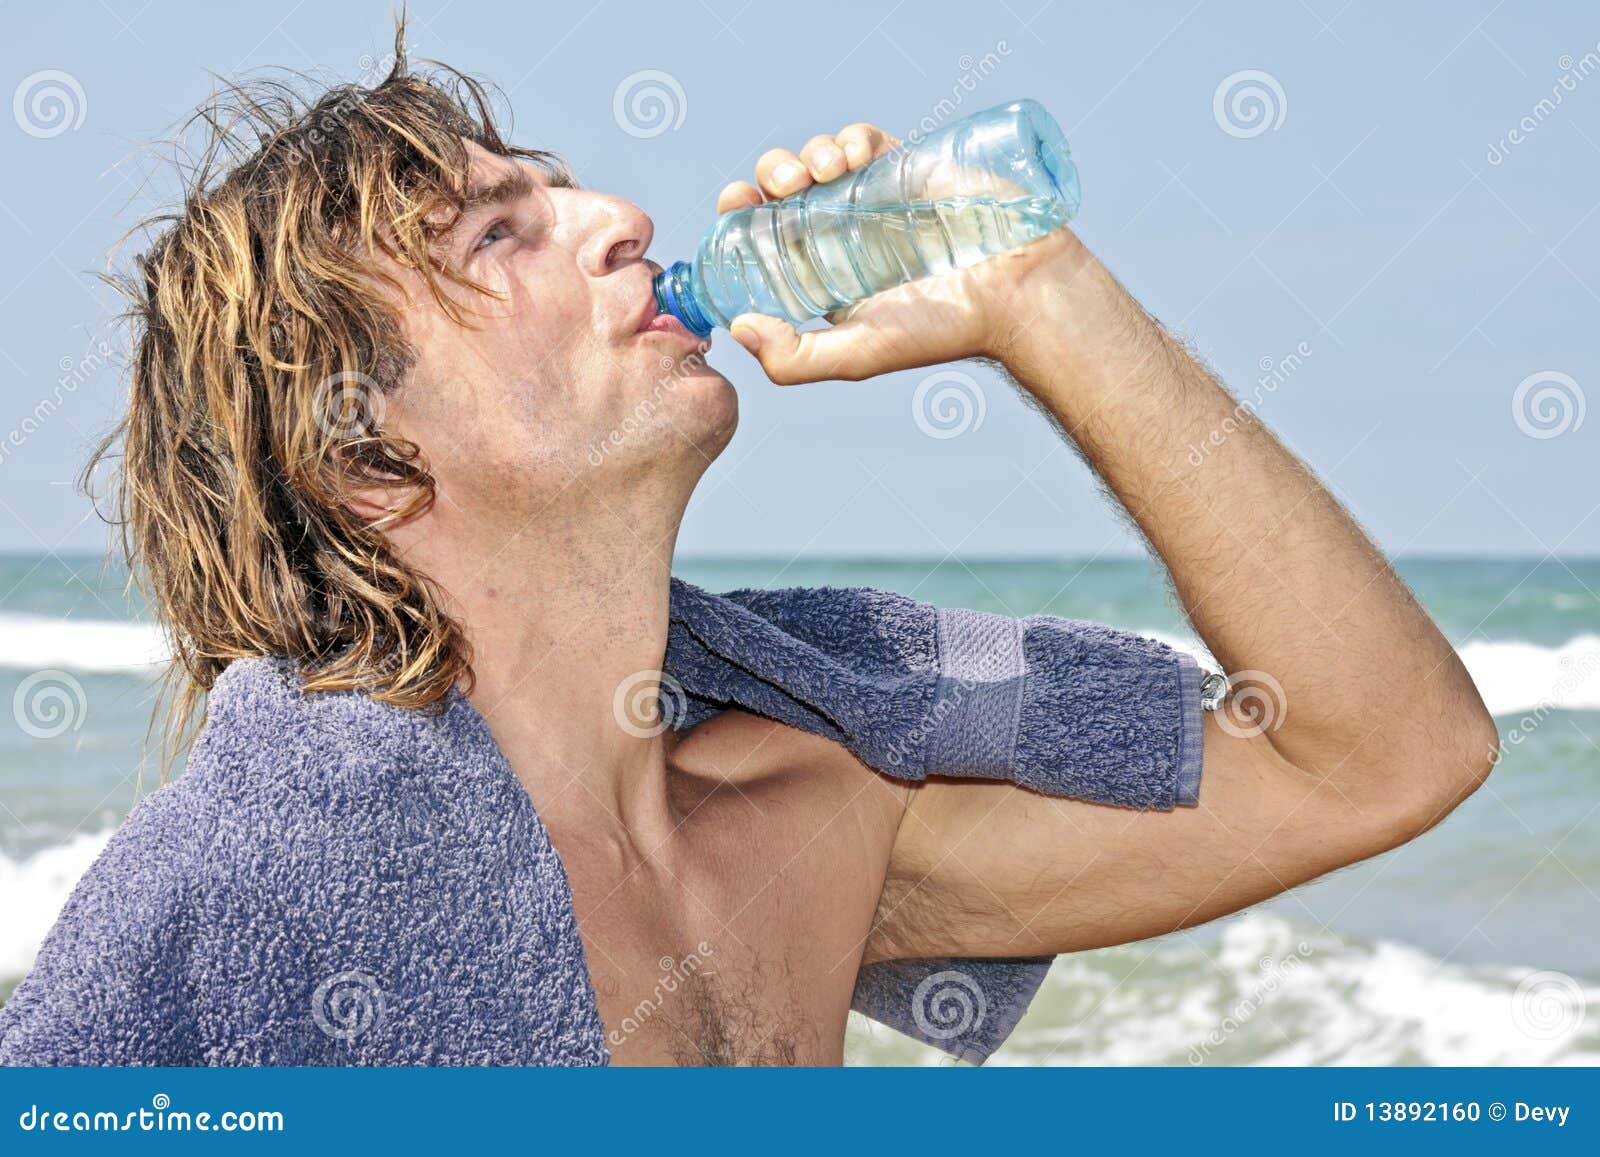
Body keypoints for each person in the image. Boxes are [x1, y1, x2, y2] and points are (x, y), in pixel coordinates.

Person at [7, 29, 1494, 1066]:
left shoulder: (817, 805)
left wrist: (1044, 300)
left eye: (561, 188)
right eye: (498, 236)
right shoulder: (240, 902)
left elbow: (1387, 753)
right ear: (365, 452)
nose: (622, 217)